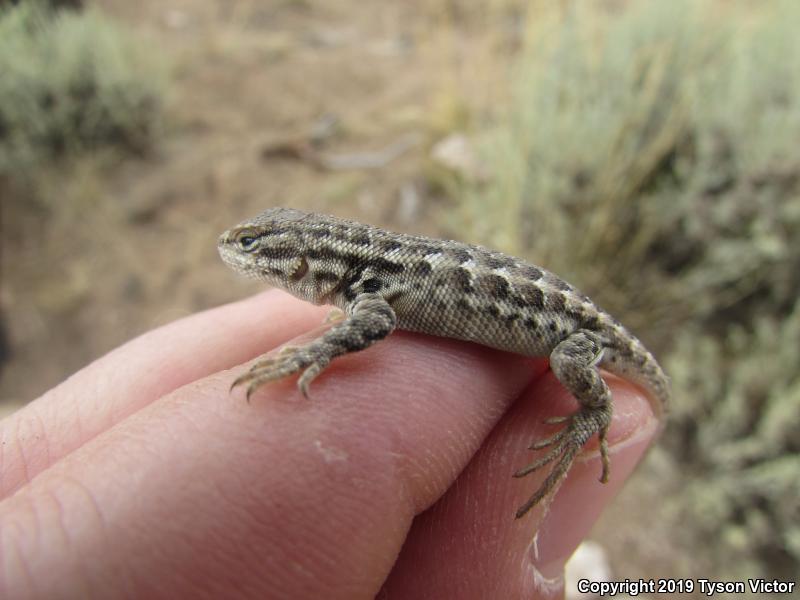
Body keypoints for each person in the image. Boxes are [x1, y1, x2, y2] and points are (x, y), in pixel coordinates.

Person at [0, 290, 659, 599]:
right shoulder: (366, 282)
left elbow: (369, 328)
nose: (249, 261)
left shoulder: (369, 293)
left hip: (570, 326)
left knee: (576, 373)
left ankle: (590, 415)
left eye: (260, 249)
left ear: (303, 261)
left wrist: (315, 350)